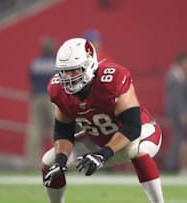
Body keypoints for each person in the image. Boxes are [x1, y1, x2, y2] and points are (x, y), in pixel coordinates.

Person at [41, 38, 164, 203]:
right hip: (98, 138)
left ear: (88, 65)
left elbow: (132, 127)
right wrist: (61, 159)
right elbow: (63, 130)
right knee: (49, 162)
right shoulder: (58, 90)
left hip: (142, 133)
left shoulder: (112, 80)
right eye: (64, 71)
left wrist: (102, 154)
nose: (67, 77)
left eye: (74, 71)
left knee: (136, 150)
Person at [26, 37, 57, 168]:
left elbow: (31, 79)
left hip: (37, 97)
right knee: (59, 129)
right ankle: (62, 158)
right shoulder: (57, 63)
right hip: (52, 98)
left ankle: (31, 162)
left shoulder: (35, 63)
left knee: (35, 130)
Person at [164, 52, 187, 173]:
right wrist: (182, 113)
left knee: (178, 138)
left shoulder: (175, 74)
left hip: (176, 112)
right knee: (179, 138)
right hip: (178, 113)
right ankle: (172, 164)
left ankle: (173, 164)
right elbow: (177, 98)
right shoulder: (176, 76)